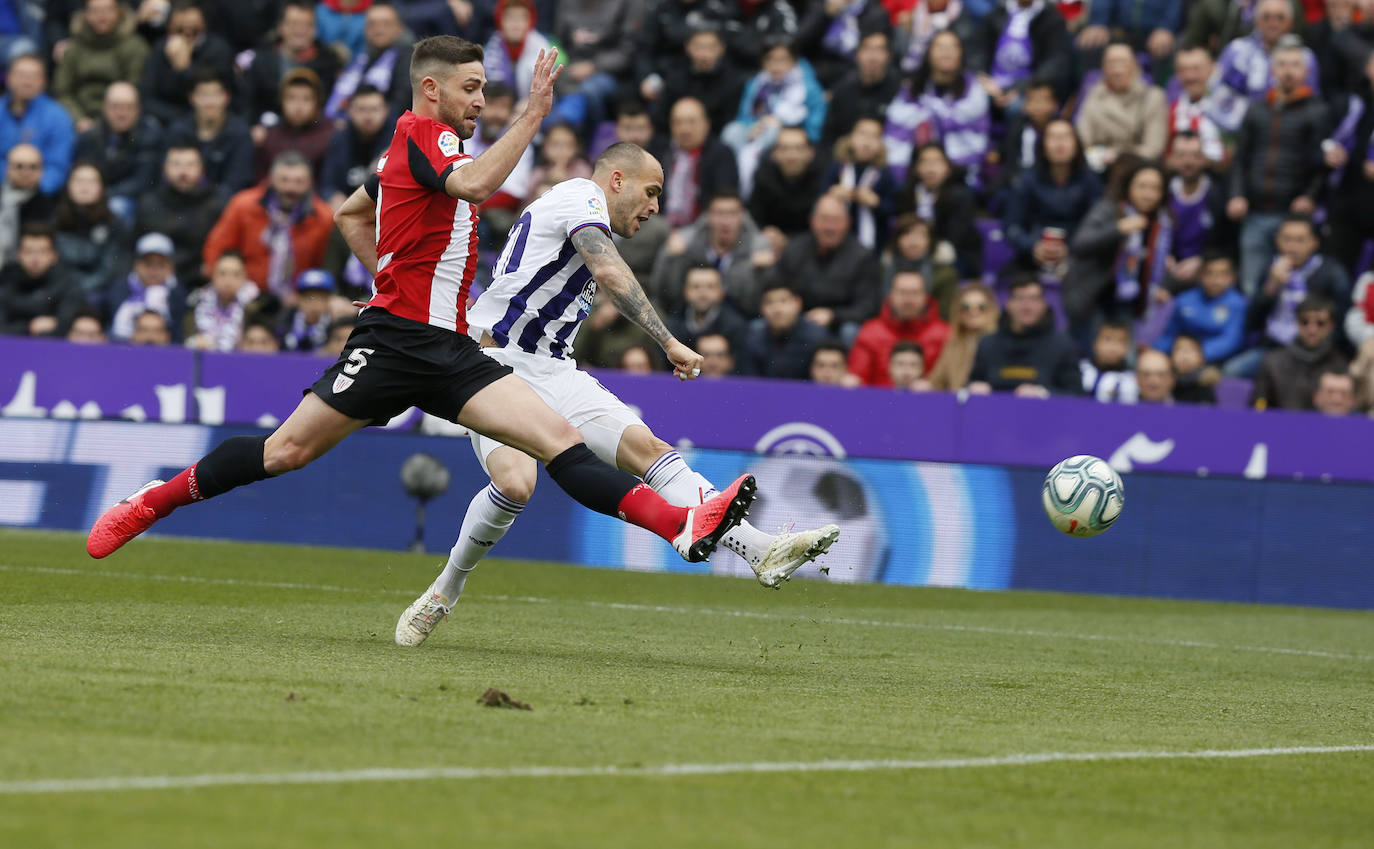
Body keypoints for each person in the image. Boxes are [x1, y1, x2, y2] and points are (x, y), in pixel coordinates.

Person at [88, 38, 758, 578]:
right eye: (471, 88)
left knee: (561, 442)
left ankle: (680, 524)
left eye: (485, 89)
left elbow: (354, 212)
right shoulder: (422, 134)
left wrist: (389, 271)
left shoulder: (410, 152)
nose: (480, 100)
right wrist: (532, 115)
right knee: (285, 451)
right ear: (432, 88)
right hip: (393, 343)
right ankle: (150, 502)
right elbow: (474, 185)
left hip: (451, 349)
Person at [395, 141, 838, 644]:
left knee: (649, 449)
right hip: (496, 363)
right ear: (617, 180)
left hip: (555, 367)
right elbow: (608, 272)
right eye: (651, 192)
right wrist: (668, 341)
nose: (655, 207)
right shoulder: (581, 195)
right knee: (516, 484)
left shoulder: (586, 214)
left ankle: (760, 551)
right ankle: (444, 591)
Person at [1226, 39, 1327, 297]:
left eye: (1295, 65)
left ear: (1305, 71)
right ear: (1273, 70)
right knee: (1250, 286)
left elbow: (1322, 164)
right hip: (1255, 211)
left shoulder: (1317, 112)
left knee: (1290, 287)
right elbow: (1240, 158)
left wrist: (1310, 196)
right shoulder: (1257, 109)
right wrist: (1236, 194)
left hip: (1292, 216)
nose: (1288, 71)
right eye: (1282, 64)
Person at [1063, 160, 1172, 344]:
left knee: (1127, 356)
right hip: (1094, 297)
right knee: (1096, 353)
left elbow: (1158, 262)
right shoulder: (1109, 209)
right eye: (1142, 186)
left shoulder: (1163, 223)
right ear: (1129, 186)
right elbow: (1080, 244)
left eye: (1155, 188)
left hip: (1128, 300)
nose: (1148, 194)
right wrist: (1118, 229)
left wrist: (1163, 285)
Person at [202, 151, 335, 301]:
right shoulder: (243, 206)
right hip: (246, 294)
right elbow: (216, 250)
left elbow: (326, 266)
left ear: (310, 183)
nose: (290, 188)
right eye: (284, 180)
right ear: (270, 179)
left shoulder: (323, 218)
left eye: (299, 181)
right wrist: (227, 284)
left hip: (298, 299)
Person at [882, 29, 990, 186]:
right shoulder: (912, 88)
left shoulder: (974, 90)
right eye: (940, 47)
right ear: (929, 53)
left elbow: (974, 133)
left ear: (961, 54)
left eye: (952, 47)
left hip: (960, 176)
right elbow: (896, 129)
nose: (946, 53)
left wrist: (933, 116)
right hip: (915, 172)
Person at [721, 41, 826, 197]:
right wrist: (753, 126)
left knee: (772, 131)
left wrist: (782, 125)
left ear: (794, 62)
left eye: (782, 59)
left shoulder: (809, 89)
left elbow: (814, 129)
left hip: (790, 137)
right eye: (770, 59)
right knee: (731, 132)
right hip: (756, 133)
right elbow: (743, 117)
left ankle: (754, 185)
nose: (776, 65)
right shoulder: (755, 84)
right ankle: (732, 186)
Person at [771, 193, 883, 338]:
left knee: (850, 330)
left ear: (848, 223)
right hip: (797, 320)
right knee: (759, 326)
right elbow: (777, 290)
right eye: (824, 219)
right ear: (812, 221)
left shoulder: (863, 257)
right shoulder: (793, 250)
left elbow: (867, 307)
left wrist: (833, 315)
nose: (830, 227)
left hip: (839, 324)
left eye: (836, 220)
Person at [649, 188, 772, 315]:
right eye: (719, 213)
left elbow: (761, 304)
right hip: (690, 316)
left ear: (742, 216)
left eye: (732, 213)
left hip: (742, 317)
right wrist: (670, 258)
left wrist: (762, 271)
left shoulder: (758, 247)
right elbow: (663, 294)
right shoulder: (685, 241)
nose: (725, 221)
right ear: (708, 215)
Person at [1003, 118, 1102, 270]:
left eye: (1065, 137)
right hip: (1032, 254)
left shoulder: (1091, 180)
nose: (1059, 144)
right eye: (1053, 137)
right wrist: (1033, 246)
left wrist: (1071, 247)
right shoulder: (1027, 179)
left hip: (1079, 255)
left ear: (1077, 144)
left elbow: (1097, 225)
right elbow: (1012, 225)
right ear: (1042, 145)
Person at [968, 274, 1080, 397]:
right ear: (1008, 304)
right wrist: (975, 388)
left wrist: (1043, 393)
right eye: (1019, 298)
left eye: (1034, 298)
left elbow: (1077, 395)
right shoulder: (987, 344)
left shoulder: (1062, 345)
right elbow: (971, 384)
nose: (1027, 306)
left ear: (1044, 304)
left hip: (1043, 409)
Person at [238, 0, 342, 126]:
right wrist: (253, 128)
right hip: (268, 130)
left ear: (315, 29)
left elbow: (329, 106)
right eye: (294, 24)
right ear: (281, 27)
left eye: (307, 24)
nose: (300, 30)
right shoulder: (261, 61)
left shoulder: (328, 63)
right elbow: (247, 105)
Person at [52, 0, 150, 132]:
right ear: (85, 14)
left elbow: (135, 88)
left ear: (119, 12)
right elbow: (62, 91)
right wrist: (79, 119)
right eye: (95, 11)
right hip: (79, 119)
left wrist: (111, 120)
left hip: (121, 116)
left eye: (108, 10)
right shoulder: (74, 48)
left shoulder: (135, 47)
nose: (102, 16)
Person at [71, 82, 161, 216]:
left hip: (131, 199)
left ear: (139, 110)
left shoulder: (150, 135)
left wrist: (103, 195)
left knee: (116, 205)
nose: (121, 113)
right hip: (96, 194)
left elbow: (143, 181)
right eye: (115, 106)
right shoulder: (90, 136)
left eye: (129, 107)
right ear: (104, 108)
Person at [139, 0, 236, 125]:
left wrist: (185, 69)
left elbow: (220, 94)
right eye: (180, 30)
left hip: (211, 119)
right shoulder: (160, 49)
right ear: (170, 29)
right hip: (169, 121)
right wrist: (181, 119)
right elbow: (147, 98)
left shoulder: (218, 50)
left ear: (203, 26)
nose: (187, 35)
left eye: (194, 30)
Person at [1074, 44, 1167, 173]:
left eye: (1123, 62)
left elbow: (1153, 148)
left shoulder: (1153, 97)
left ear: (1135, 67)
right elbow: (1082, 139)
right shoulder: (1094, 96)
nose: (1117, 70)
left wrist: (1118, 156)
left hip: (1139, 167)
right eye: (1111, 63)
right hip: (1100, 167)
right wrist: (1098, 155)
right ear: (1103, 69)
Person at [847, 269, 948, 386]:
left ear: (925, 296)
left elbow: (951, 380)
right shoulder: (870, 332)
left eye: (915, 293)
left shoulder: (944, 334)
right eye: (902, 292)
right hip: (880, 397)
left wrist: (933, 387)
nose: (908, 299)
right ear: (891, 295)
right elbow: (858, 378)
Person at [895, 143, 981, 280]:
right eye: (924, 162)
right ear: (916, 168)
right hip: (912, 253)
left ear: (948, 167)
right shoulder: (907, 194)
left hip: (955, 254)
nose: (931, 168)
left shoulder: (960, 195)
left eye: (936, 162)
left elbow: (956, 236)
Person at [53, 162, 129, 315]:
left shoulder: (114, 223)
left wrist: (81, 288)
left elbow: (110, 268)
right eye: (79, 180)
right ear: (68, 186)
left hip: (97, 290)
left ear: (101, 187)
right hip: (61, 287)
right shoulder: (55, 221)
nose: (84, 186)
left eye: (91, 181)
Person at [653, 97, 739, 229]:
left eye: (691, 122)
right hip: (662, 226)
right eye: (678, 123)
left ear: (706, 124)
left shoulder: (721, 154)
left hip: (704, 228)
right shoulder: (660, 153)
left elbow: (723, 200)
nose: (684, 129)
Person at [1251, 295, 1349, 410]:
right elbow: (1258, 406)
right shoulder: (1273, 362)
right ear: (1296, 323)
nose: (1312, 330)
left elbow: (1345, 412)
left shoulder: (1340, 365)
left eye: (1320, 323)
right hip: (1279, 421)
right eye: (1305, 322)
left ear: (1331, 326)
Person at [165, 69, 255, 194]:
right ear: (192, 98)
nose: (209, 102)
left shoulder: (240, 134)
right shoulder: (178, 131)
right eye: (203, 95)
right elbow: (165, 177)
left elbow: (237, 183)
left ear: (227, 97)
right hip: (179, 199)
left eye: (215, 94)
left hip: (223, 202)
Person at [1153, 252, 1249, 368]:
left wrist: (1198, 354)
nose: (1215, 280)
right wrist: (1156, 350)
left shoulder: (1238, 303)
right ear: (1200, 275)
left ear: (1232, 277)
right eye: (1209, 273)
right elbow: (1170, 334)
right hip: (1182, 355)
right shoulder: (1184, 300)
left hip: (1218, 361)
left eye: (1222, 274)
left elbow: (1231, 341)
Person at [0, 53, 75, 197]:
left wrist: (35, 190)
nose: (27, 81)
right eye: (21, 75)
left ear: (44, 82)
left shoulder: (58, 117)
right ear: (8, 78)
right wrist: (9, 183)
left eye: (33, 76)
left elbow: (59, 165)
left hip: (41, 196)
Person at [324, 2, 414, 120]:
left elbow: (401, 103)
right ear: (365, 29)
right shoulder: (360, 59)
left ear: (399, 28)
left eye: (386, 24)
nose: (379, 29)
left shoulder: (409, 59)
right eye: (372, 24)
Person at [1165, 131, 1230, 287]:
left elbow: (1228, 242)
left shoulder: (1220, 193)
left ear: (1205, 159)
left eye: (1195, 155)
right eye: (1181, 155)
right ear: (1171, 158)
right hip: (1166, 270)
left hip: (1207, 274)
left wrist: (1202, 260)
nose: (1188, 162)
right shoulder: (1162, 191)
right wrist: (1163, 256)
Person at [823, 116, 897, 251]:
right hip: (836, 241)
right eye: (862, 134)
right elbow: (819, 198)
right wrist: (832, 195)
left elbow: (893, 209)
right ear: (850, 138)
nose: (867, 142)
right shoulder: (836, 168)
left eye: (874, 136)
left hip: (872, 243)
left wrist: (876, 203)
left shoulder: (885, 174)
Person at [0, 224, 86, 337]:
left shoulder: (67, 283)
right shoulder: (6, 280)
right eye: (28, 251)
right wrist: (29, 327)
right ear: (19, 255)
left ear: (54, 256)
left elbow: (66, 326)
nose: (35, 259)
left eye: (42, 251)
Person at [820, 29, 899, 149]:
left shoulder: (900, 91)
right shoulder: (842, 91)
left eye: (879, 50)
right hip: (847, 154)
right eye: (867, 49)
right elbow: (829, 136)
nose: (872, 57)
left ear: (889, 56)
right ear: (857, 55)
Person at [747, 126, 824, 247]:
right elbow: (754, 219)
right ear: (774, 153)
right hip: (771, 244)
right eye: (784, 149)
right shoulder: (763, 177)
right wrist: (766, 231)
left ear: (811, 152)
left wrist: (790, 241)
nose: (792, 155)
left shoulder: (823, 179)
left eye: (799, 148)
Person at [320, 84, 393, 209]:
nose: (368, 116)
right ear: (350, 111)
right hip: (347, 207)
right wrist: (333, 197)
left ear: (386, 110)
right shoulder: (339, 139)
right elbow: (327, 184)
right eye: (361, 109)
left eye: (374, 109)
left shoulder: (396, 138)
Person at [254, 69, 335, 183]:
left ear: (317, 103)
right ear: (281, 101)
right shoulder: (268, 135)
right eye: (291, 98)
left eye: (306, 98)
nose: (298, 106)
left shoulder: (331, 135)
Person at [108, 232, 187, 344]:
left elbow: (177, 335)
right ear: (136, 265)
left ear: (170, 267)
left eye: (161, 265)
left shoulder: (177, 294)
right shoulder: (119, 290)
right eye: (148, 264)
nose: (154, 271)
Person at [738, 281, 826, 379]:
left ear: (798, 303)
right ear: (761, 307)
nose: (777, 309)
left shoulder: (816, 338)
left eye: (783, 301)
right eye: (769, 302)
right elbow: (748, 380)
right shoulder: (752, 339)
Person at [927, 282, 998, 391]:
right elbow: (937, 381)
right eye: (966, 307)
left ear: (992, 310)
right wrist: (927, 385)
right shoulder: (953, 344)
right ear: (958, 311)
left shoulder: (1000, 343)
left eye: (981, 307)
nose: (973, 312)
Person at [184, 250, 260, 351]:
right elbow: (187, 338)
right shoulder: (196, 302)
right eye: (222, 273)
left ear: (244, 277)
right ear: (213, 276)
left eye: (236, 274)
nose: (228, 280)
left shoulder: (256, 308)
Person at [665, 263, 749, 351]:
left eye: (710, 286)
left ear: (721, 292)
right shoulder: (673, 325)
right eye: (696, 286)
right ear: (685, 291)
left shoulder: (736, 327)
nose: (703, 293)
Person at [0, 143, 55, 267]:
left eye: (33, 167)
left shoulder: (47, 207)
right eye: (19, 166)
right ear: (8, 168)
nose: (26, 172)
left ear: (41, 171)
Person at [1079, 319, 1138, 403]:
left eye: (1120, 341)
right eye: (1107, 339)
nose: (1113, 347)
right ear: (1095, 343)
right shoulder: (1079, 369)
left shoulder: (1131, 380)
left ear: (1127, 348)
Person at [280, 269, 337, 353]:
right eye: (309, 298)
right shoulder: (285, 322)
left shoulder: (336, 326)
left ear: (329, 300)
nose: (314, 305)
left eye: (321, 298)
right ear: (299, 299)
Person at [1168, 335, 1219, 405]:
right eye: (1178, 349)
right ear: (1171, 356)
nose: (1184, 354)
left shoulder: (1209, 385)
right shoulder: (1164, 384)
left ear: (1201, 357)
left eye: (1191, 349)